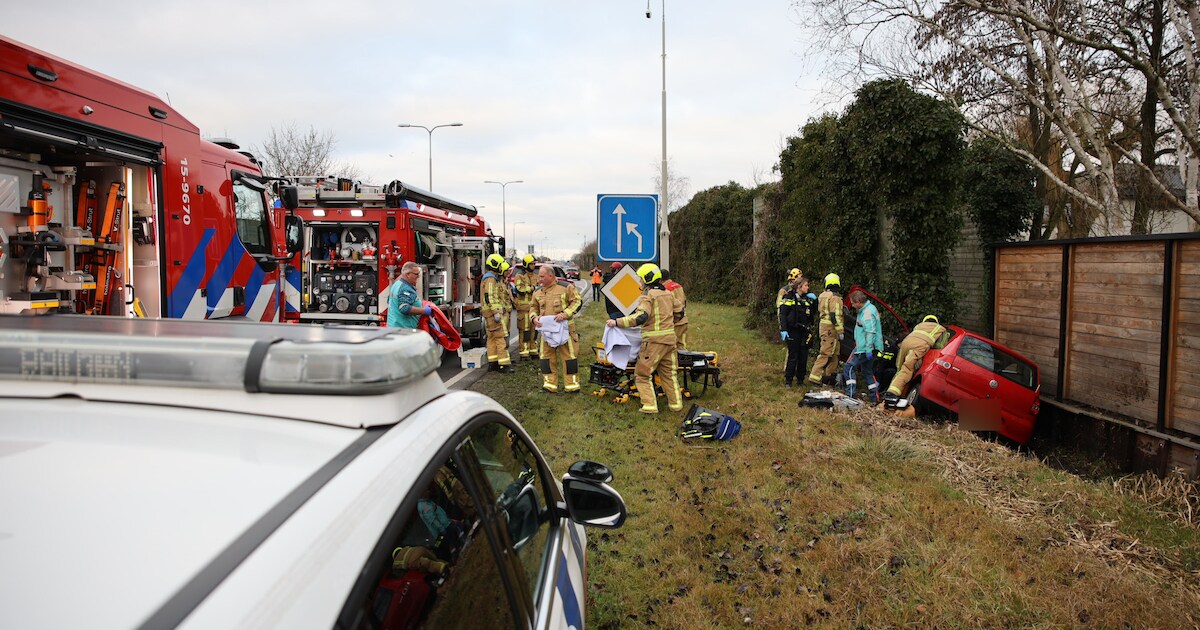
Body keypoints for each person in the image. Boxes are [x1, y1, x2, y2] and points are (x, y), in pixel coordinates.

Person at [606, 263, 684, 414]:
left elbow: (641, 317)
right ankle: (676, 406)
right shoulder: (668, 294)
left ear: (647, 279)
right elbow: (680, 312)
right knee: (669, 374)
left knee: (642, 374)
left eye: (641, 279)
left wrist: (617, 322)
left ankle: (649, 405)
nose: (640, 282)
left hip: (653, 343)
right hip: (670, 341)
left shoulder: (647, 296)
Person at [532, 264, 583, 392]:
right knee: (546, 358)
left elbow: (577, 302)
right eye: (539, 277)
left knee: (569, 357)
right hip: (546, 332)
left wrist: (565, 314)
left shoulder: (566, 287)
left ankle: (572, 385)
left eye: (542, 277)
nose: (540, 279)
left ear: (551, 275)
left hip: (565, 330)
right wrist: (534, 318)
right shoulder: (537, 291)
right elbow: (533, 307)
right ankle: (550, 385)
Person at [884, 315, 947, 403]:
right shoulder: (941, 329)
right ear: (936, 322)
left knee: (899, 368)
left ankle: (891, 389)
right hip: (918, 346)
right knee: (907, 369)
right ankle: (892, 393)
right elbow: (940, 346)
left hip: (905, 343)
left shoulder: (919, 325)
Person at [843, 289, 883, 403]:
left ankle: (850, 395)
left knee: (849, 367)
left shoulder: (867, 313)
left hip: (865, 348)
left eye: (853, 303)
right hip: (869, 347)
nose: (853, 306)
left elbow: (870, 331)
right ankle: (874, 398)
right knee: (867, 371)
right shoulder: (868, 309)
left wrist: (868, 349)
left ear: (858, 301)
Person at [807, 273, 845, 386]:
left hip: (824, 328)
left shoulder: (823, 295)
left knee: (834, 355)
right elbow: (835, 315)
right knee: (826, 354)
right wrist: (840, 331)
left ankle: (829, 378)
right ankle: (815, 377)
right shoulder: (835, 297)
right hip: (831, 330)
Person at [779, 276, 817, 387]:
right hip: (793, 330)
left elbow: (813, 312)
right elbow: (783, 314)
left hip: (804, 331)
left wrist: (815, 301)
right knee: (793, 356)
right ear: (799, 286)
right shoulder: (789, 297)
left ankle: (800, 380)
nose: (808, 287)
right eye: (806, 285)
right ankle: (788, 380)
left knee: (803, 356)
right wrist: (784, 329)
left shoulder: (807, 298)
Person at [480, 253, 514, 373]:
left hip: (488, 313)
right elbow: (490, 296)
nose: (501, 268)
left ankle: (493, 363)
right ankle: (504, 364)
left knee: (491, 338)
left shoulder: (490, 277)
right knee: (500, 338)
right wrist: (496, 311)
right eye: (500, 265)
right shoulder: (491, 279)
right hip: (492, 313)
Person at [388, 261, 432, 328]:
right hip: (404, 331)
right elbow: (404, 308)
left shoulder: (396, 284)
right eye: (416, 274)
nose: (418, 276)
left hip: (394, 328)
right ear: (408, 274)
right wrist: (424, 311)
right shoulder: (405, 289)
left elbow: (389, 301)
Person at [513, 254, 539, 359]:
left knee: (534, 330)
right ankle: (524, 352)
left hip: (534, 309)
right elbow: (520, 289)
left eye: (534, 264)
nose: (533, 266)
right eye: (532, 264)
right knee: (525, 331)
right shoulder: (519, 276)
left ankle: (533, 350)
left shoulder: (536, 276)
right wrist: (532, 288)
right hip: (523, 309)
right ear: (526, 264)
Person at [661, 269, 688, 350]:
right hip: (684, 319)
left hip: (675, 321)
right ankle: (684, 360)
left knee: (671, 346)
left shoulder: (665, 289)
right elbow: (684, 300)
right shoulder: (678, 285)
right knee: (681, 345)